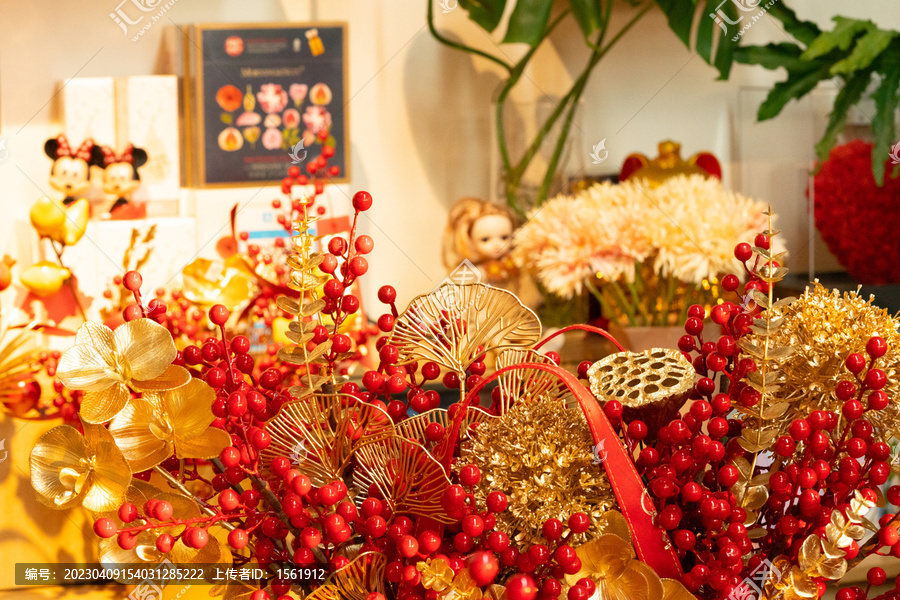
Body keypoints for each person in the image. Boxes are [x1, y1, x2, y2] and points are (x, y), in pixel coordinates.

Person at [442, 197, 518, 285]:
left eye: (504, 237)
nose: (497, 245)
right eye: (485, 239)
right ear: (469, 239)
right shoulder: (468, 272)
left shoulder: (512, 265)